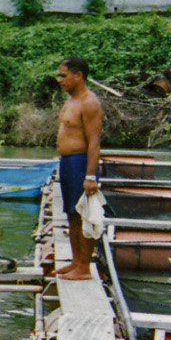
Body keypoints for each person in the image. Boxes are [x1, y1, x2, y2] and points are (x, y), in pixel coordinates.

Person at [54, 56, 103, 280]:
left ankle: (84, 267)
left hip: (81, 162)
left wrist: (90, 176)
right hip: (67, 162)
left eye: (63, 76)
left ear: (78, 75)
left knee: (85, 214)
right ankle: (75, 261)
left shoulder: (89, 102)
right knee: (72, 213)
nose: (59, 80)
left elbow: (94, 142)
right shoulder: (71, 100)